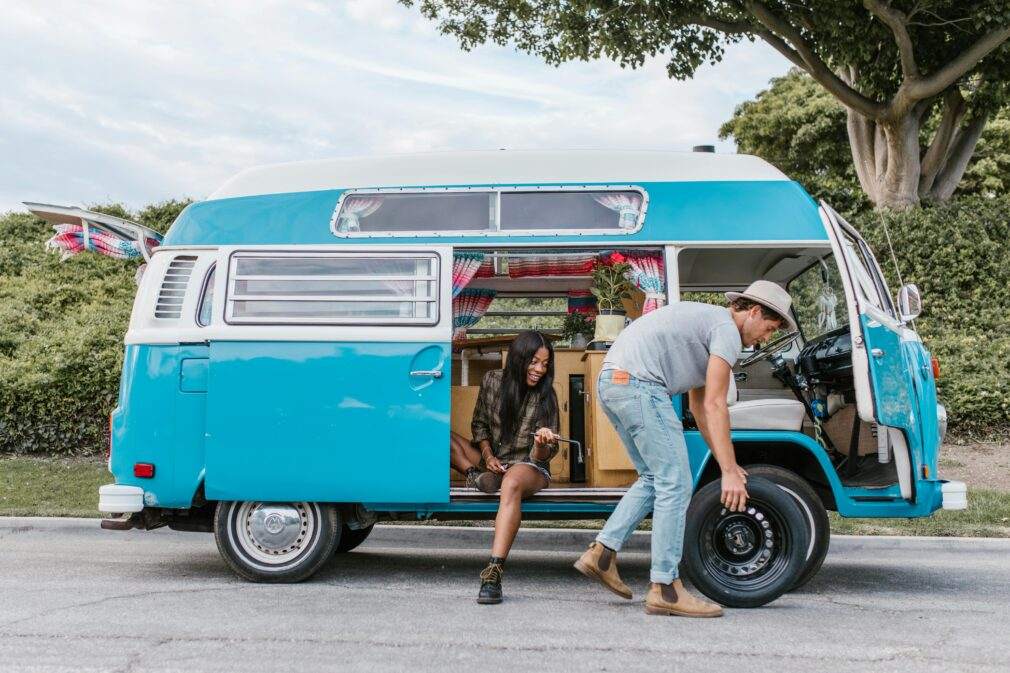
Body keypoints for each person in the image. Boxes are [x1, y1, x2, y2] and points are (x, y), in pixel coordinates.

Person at [574, 280, 795, 617]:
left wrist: (728, 465)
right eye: (769, 327)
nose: (766, 337)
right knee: (676, 483)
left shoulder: (709, 324)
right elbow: (717, 404)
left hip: (613, 381)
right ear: (752, 312)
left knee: (654, 478)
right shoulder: (726, 331)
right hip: (639, 385)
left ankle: (602, 553)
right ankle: (665, 588)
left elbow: (699, 407)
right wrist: (729, 470)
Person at [449, 330, 560, 604]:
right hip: (493, 460)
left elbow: (546, 455)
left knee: (511, 482)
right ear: (519, 358)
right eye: (534, 362)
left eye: (545, 364)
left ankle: (493, 573)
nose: (539, 370)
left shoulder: (547, 395)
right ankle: (476, 475)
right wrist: (487, 456)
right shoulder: (492, 380)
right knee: (438, 437)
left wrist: (541, 443)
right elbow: (479, 425)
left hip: (528, 466)